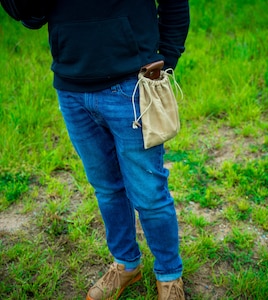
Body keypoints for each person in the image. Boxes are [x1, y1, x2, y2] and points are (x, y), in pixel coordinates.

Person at [22, 0, 190, 299]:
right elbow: (29, 15)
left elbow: (174, 2)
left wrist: (168, 57)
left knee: (149, 192)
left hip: (132, 85)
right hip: (71, 88)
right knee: (107, 189)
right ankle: (126, 265)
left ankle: (169, 275)